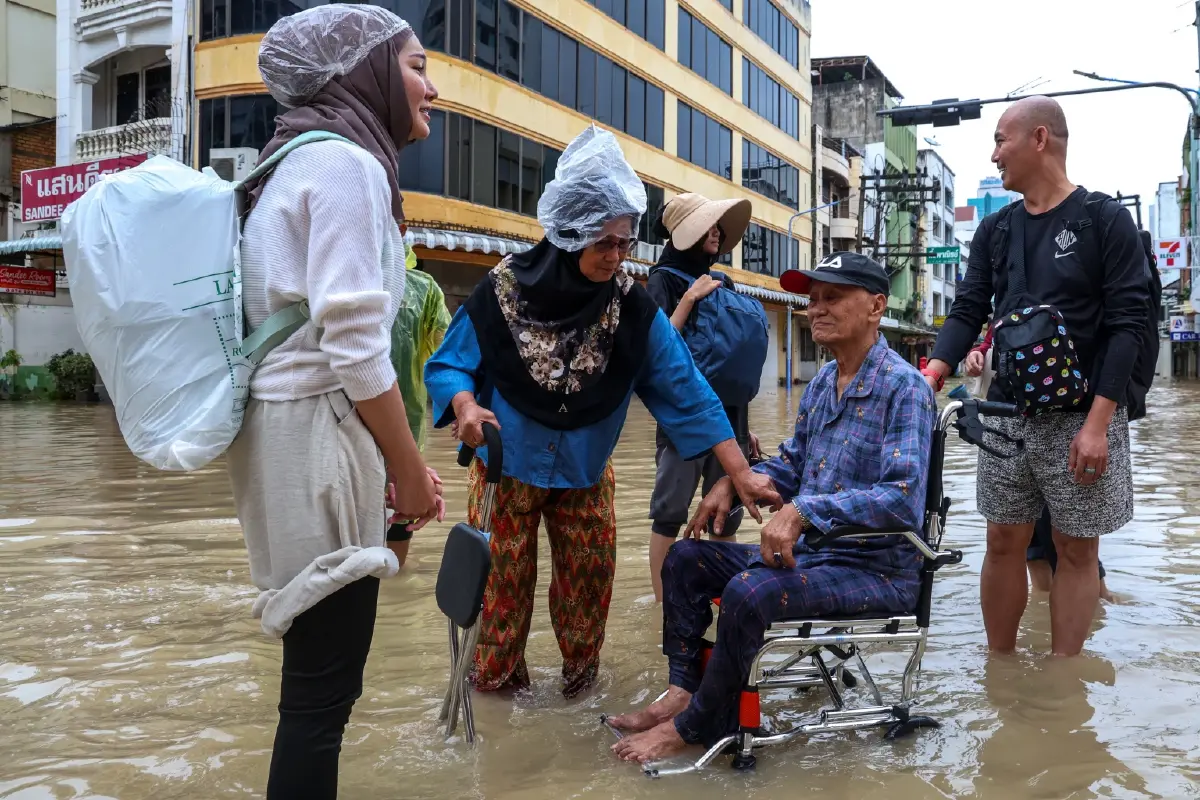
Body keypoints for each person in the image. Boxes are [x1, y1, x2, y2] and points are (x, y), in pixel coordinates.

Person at [425, 126, 782, 699]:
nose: (617, 257)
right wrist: (465, 405)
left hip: (587, 474)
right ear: (570, 235)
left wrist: (739, 472)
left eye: (625, 243)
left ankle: (576, 693)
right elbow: (448, 365)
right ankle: (495, 700)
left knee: (588, 592)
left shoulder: (632, 310)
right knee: (500, 595)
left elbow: (688, 391)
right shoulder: (502, 291)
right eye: (605, 244)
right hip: (504, 468)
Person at [224, 8, 443, 797]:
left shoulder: (288, 162)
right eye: (417, 66)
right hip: (319, 432)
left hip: (289, 438)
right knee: (323, 696)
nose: (433, 88)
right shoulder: (347, 165)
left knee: (315, 690)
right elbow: (354, 345)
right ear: (368, 73)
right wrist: (410, 471)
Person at [610, 252, 936, 762]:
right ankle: (683, 691)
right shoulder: (825, 383)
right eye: (812, 300)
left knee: (749, 591)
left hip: (875, 570)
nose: (816, 310)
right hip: (813, 558)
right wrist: (733, 485)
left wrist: (804, 512)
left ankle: (695, 726)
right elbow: (792, 460)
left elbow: (901, 500)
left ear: (875, 306)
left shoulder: (905, 388)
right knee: (685, 559)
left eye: (833, 298)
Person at [920, 96, 1146, 657]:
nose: (994, 154)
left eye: (1001, 140)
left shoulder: (1104, 220)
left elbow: (1127, 328)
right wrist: (933, 371)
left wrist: (1098, 424)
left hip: (1080, 417)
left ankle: (1064, 679)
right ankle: (1002, 669)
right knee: (1001, 541)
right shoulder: (996, 230)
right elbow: (970, 306)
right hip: (1004, 413)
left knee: (1075, 549)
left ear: (1039, 139)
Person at [644, 192, 763, 602]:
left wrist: (746, 429)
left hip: (731, 421)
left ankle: (726, 601)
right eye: (708, 225)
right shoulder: (662, 279)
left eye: (718, 226)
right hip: (684, 420)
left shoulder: (724, 282)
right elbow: (656, 347)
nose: (717, 232)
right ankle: (663, 606)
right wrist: (689, 299)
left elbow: (733, 363)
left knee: (725, 518)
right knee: (669, 514)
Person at [965, 326, 1113, 601]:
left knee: (1073, 541)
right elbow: (989, 342)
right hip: (1015, 418)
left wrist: (1097, 426)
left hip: (1066, 418)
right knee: (1024, 542)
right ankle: (1049, 605)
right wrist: (978, 353)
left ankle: (1094, 600)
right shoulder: (1002, 324)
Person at [386, 242, 452, 566]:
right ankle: (390, 583)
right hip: (404, 427)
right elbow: (448, 355)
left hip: (341, 425)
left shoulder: (338, 276)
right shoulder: (424, 289)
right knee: (401, 509)